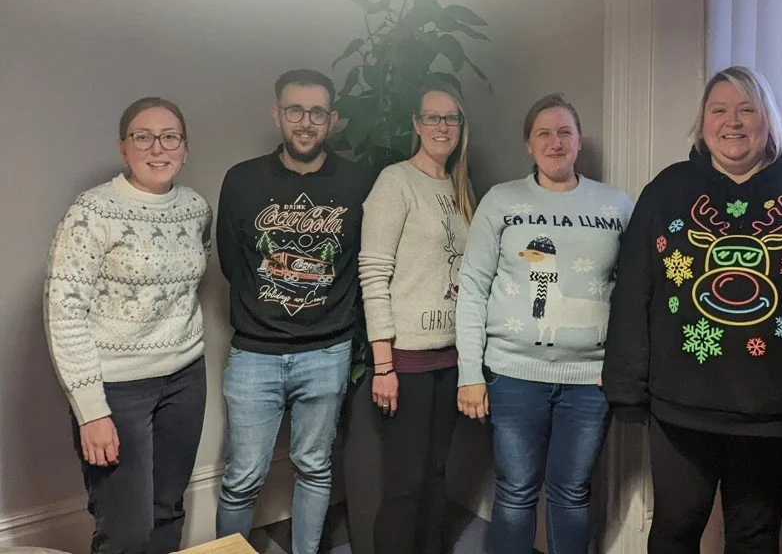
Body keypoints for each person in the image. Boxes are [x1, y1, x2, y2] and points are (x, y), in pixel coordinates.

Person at [602, 65, 782, 553]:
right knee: (674, 529)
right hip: (679, 407)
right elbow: (632, 292)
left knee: (754, 537)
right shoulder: (668, 189)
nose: (734, 121)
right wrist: (624, 388)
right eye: (719, 109)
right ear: (703, 121)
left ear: (769, 120)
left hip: (772, 413)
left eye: (748, 109)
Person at [456, 93, 634, 554]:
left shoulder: (615, 205)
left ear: (578, 141)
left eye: (565, 132)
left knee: (572, 494)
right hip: (513, 375)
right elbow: (472, 288)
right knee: (515, 493)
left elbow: (634, 294)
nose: (555, 143)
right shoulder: (502, 200)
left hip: (590, 382)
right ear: (529, 145)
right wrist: (470, 374)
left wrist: (622, 373)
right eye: (544, 134)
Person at [215, 69, 374, 554]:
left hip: (327, 350)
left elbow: (366, 260)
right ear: (277, 114)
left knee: (314, 467)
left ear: (333, 119)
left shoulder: (359, 182)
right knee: (242, 478)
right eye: (295, 110)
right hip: (254, 353)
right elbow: (230, 261)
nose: (306, 122)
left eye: (317, 112)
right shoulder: (242, 180)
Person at [44, 96, 211, 553]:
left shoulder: (196, 208)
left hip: (184, 380)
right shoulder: (92, 211)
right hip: (117, 390)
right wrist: (91, 410)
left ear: (184, 146)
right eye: (143, 137)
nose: (157, 148)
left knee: (167, 509)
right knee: (126, 529)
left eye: (169, 137)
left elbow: (186, 286)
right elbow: (64, 313)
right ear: (124, 149)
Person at [360, 84, 474, 554]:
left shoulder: (461, 186)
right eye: (432, 117)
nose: (441, 127)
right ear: (416, 124)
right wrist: (383, 364)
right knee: (405, 483)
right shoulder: (395, 181)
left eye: (451, 118)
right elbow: (373, 272)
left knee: (435, 475)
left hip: (451, 358)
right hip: (404, 360)